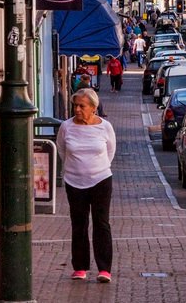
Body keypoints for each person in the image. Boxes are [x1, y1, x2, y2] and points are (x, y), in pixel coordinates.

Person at [56, 88, 116, 283]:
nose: (77, 109)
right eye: (75, 105)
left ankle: (104, 269)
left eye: (82, 106)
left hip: (101, 180)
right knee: (79, 224)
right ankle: (80, 267)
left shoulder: (105, 127)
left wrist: (96, 168)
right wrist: (75, 169)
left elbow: (110, 151)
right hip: (74, 182)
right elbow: (62, 151)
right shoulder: (66, 127)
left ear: (93, 107)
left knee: (101, 223)